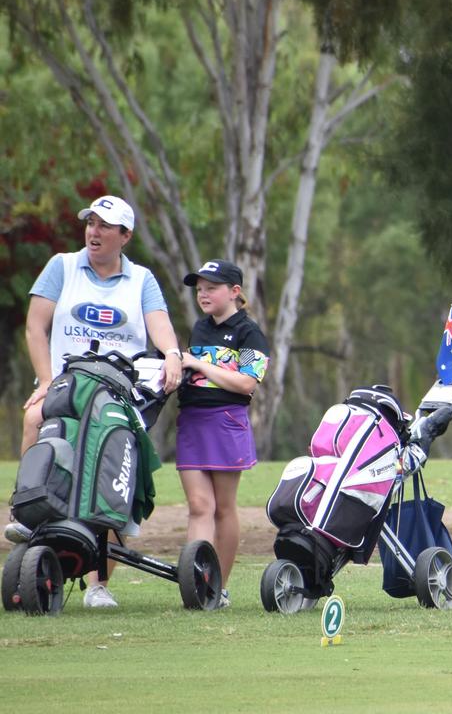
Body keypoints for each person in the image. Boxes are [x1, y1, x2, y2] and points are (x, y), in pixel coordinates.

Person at [10, 194, 183, 608]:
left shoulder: (141, 279)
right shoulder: (62, 266)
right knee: (35, 417)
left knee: (110, 455)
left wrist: (173, 354)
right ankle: (24, 510)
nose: (94, 231)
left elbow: (160, 328)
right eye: (91, 223)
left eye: (105, 226)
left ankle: (98, 584)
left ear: (125, 235)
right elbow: (36, 329)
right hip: (66, 383)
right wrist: (45, 381)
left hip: (120, 390)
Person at [175, 259, 269, 610]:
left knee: (223, 508)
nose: (203, 294)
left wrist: (199, 364)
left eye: (211, 288)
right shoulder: (199, 329)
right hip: (192, 421)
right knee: (199, 506)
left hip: (226, 420)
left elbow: (247, 383)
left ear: (234, 292)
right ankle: (197, 585)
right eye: (199, 289)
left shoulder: (249, 333)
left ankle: (219, 587)